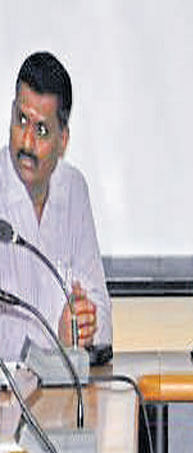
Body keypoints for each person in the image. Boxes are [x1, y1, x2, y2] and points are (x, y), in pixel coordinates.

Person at [0, 51, 111, 359]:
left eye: (42, 130)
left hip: (62, 394)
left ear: (63, 141)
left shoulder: (73, 189)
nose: (26, 142)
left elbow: (102, 314)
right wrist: (56, 337)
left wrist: (85, 323)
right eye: (21, 120)